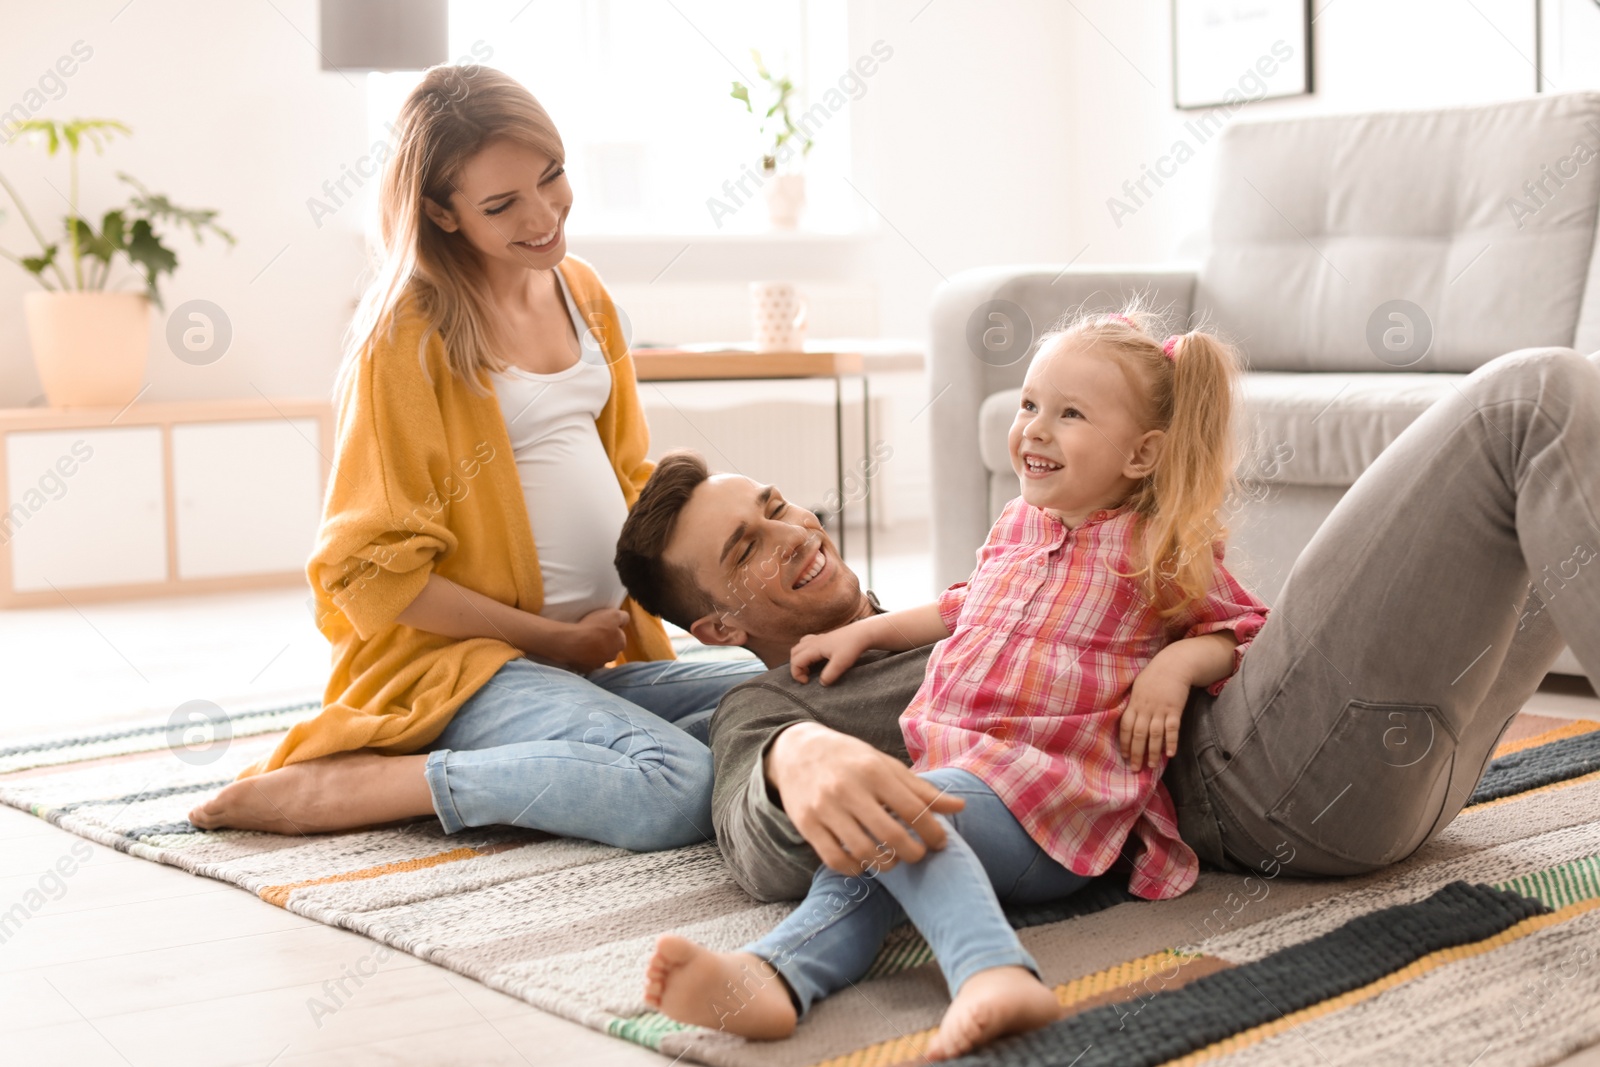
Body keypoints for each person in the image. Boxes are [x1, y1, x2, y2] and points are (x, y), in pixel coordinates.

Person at [612, 330, 1598, 1045]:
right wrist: (799, 753)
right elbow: (754, 824)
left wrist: (883, 623)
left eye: (776, 503)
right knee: (1531, 399)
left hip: (1377, 757)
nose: (792, 531)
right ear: (718, 630)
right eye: (747, 545)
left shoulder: (1017, 562)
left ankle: (821, 974)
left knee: (1544, 413)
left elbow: (993, 604)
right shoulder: (767, 704)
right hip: (1251, 786)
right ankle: (802, 972)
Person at [635, 312, 1269, 1057]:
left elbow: (1246, 628)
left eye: (1068, 414)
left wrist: (1176, 664)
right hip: (970, 774)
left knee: (905, 813)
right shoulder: (1018, 524)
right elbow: (965, 604)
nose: (1034, 429)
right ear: (715, 628)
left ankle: (994, 970)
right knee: (878, 840)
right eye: (1030, 404)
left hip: (1057, 801)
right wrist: (865, 632)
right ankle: (777, 977)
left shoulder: (1156, 545)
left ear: (1142, 454)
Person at [187, 63, 762, 847]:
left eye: (551, 176)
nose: (543, 215)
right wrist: (551, 639)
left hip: (597, 656)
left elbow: (630, 478)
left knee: (778, 694)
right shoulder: (406, 334)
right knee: (679, 786)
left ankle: (569, 749)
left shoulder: (583, 292)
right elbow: (372, 572)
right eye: (501, 204)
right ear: (441, 212)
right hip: (468, 669)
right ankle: (377, 783)